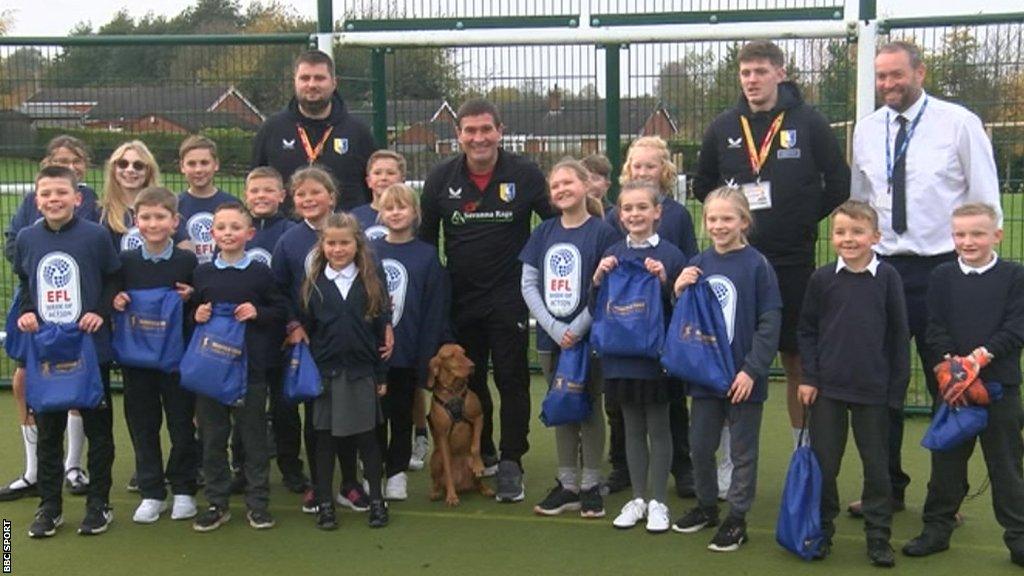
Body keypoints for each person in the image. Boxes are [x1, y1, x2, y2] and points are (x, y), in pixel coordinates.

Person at [849, 40, 1001, 516]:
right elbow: (861, 202)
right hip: (885, 269)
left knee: (949, 382)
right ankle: (886, 490)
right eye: (881, 77)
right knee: (883, 384)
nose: (888, 85)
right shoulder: (868, 131)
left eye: (896, 75)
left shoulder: (959, 124)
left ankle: (945, 498)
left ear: (921, 73)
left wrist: (974, 268)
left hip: (942, 270)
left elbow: (984, 199)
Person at [693, 40, 850, 450]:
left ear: (780, 73)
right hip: (736, 264)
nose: (752, 80)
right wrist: (731, 222)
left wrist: (798, 218)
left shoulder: (810, 122)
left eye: (760, 71)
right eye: (745, 73)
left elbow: (838, 183)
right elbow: (702, 185)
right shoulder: (724, 126)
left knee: (796, 357)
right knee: (732, 357)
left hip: (792, 260)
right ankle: (729, 460)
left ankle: (804, 453)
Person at [419, 98, 555, 502]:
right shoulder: (441, 179)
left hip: (509, 298)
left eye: (486, 129)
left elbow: (552, 226)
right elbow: (427, 243)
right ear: (458, 135)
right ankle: (487, 449)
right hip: (461, 299)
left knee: (512, 378)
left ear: (501, 131)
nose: (478, 138)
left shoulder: (526, 175)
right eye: (470, 131)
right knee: (472, 380)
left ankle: (512, 461)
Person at [902, 203, 1024, 567]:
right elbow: (934, 326)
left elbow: (1017, 328)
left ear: (996, 236)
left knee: (1006, 465)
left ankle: (1018, 537)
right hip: (955, 387)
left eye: (977, 234)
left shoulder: (1014, 276)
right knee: (946, 462)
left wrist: (980, 358)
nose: (968, 241)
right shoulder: (941, 276)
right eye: (960, 234)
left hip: (1000, 386)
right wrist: (953, 366)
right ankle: (936, 529)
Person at [797, 200, 910, 567]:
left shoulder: (888, 278)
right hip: (827, 390)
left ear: (875, 237)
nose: (849, 239)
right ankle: (822, 530)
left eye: (858, 232)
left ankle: (878, 537)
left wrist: (896, 390)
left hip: (874, 392)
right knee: (825, 465)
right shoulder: (822, 279)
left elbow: (898, 336)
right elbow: (807, 330)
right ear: (832, 237)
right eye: (841, 232)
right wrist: (810, 378)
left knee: (877, 466)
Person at [671, 187, 782, 553]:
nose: (719, 225)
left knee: (742, 452)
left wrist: (752, 371)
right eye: (713, 219)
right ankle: (706, 506)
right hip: (706, 376)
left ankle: (737, 519)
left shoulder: (757, 265)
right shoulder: (699, 262)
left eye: (727, 218)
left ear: (744, 222)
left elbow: (770, 321)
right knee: (700, 447)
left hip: (742, 379)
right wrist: (677, 289)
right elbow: (687, 318)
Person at [16, 165, 121, 537]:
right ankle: (50, 507)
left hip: (90, 349)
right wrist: (28, 312)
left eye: (61, 193)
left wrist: (99, 311)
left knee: (99, 429)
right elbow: (28, 285)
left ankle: (99, 505)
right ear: (36, 199)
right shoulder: (28, 238)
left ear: (77, 198)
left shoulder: (95, 236)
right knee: (48, 431)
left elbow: (113, 278)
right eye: (46, 194)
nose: (53, 200)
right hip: (47, 350)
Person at [0, 136, 99, 502]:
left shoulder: (94, 205)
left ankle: (73, 466)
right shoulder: (31, 203)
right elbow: (16, 243)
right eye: (60, 160)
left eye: (75, 160)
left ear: (84, 167)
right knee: (26, 374)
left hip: (76, 313)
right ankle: (34, 471)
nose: (69, 165)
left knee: (73, 372)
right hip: (34, 306)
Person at [521, 159, 617, 519]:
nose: (561, 190)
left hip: (589, 338)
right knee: (561, 407)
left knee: (589, 407)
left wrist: (577, 327)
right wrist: (552, 326)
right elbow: (528, 284)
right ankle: (567, 484)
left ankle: (591, 484)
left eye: (568, 183)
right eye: (555, 185)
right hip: (551, 339)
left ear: (585, 186)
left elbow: (606, 288)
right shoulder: (543, 232)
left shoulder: (603, 233)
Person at [272, 166, 371, 514]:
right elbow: (279, 290)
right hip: (312, 344)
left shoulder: (352, 233)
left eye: (315, 192)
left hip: (349, 343)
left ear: (332, 196)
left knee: (349, 417)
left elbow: (372, 285)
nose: (308, 199)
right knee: (318, 418)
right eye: (301, 194)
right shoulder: (289, 240)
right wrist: (293, 324)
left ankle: (350, 483)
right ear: (293, 201)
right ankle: (318, 485)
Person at [603, 136, 698, 498]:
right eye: (636, 165)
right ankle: (623, 467)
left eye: (650, 165)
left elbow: (689, 262)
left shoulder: (676, 214)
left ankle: (682, 467)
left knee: (670, 403)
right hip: (623, 327)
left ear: (665, 170)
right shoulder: (619, 212)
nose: (642, 171)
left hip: (663, 324)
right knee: (620, 404)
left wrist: (671, 285)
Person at [593, 180, 686, 533]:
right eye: (627, 209)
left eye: (642, 208)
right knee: (631, 428)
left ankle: (660, 501)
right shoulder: (612, 253)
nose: (634, 214)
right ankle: (638, 498)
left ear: (657, 212)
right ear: (618, 214)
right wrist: (598, 280)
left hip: (657, 360)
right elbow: (597, 308)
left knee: (659, 428)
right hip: (620, 359)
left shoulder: (671, 255)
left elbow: (682, 312)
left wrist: (665, 282)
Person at [190, 203, 287, 532]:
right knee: (213, 437)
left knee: (253, 438)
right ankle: (216, 503)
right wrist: (197, 315)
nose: (228, 233)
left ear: (249, 233)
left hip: (250, 371)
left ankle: (258, 503)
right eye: (222, 227)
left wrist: (257, 312)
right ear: (212, 233)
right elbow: (192, 314)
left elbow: (279, 310)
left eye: (235, 227)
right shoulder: (203, 273)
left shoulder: (260, 272)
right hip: (211, 372)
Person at [111, 187, 201, 524]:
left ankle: (183, 489)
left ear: (175, 221)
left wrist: (192, 296)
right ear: (136, 220)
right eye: (146, 217)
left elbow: (199, 303)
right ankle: (151, 491)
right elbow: (113, 295)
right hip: (138, 363)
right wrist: (116, 300)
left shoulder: (186, 261)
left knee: (181, 424)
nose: (153, 223)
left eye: (160, 217)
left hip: (176, 360)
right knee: (143, 425)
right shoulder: (126, 262)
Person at [300, 213, 391, 530]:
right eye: (331, 243)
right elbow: (307, 332)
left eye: (344, 243)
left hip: (362, 374)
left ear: (357, 245)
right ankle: (325, 504)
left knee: (368, 441)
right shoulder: (314, 286)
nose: (337, 249)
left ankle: (377, 501)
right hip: (326, 376)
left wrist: (381, 376)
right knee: (324, 442)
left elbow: (381, 335)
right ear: (322, 246)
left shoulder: (370, 284)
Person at [371, 183, 449, 501]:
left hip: (407, 353)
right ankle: (373, 472)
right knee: (374, 417)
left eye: (402, 207)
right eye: (389, 208)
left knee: (402, 415)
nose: (396, 213)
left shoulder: (428, 255)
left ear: (415, 213)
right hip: (375, 355)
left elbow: (433, 310)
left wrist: (425, 357)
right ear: (380, 213)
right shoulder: (370, 252)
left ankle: (397, 473)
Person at [239, 166, 307, 496]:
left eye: (269, 190)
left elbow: (293, 287)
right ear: (245, 196)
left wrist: (292, 322)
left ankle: (291, 466)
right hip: (241, 337)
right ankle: (241, 467)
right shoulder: (237, 230)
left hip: (280, 333)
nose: (262, 196)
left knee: (284, 406)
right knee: (244, 404)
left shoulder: (291, 232)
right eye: (255, 191)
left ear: (282, 196)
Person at [251, 49, 377, 215]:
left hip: (343, 235)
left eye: (319, 78)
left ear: (334, 83)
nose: (311, 85)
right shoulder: (272, 129)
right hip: (288, 233)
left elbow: (372, 190)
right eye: (305, 78)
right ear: (294, 82)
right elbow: (256, 180)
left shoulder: (358, 131)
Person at [174, 135, 236, 264]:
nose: (198, 169)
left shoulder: (232, 205)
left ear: (216, 164)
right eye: (191, 164)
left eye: (204, 163)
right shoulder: (174, 206)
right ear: (182, 167)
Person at [100, 141, 162, 252]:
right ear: (114, 169)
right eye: (123, 164)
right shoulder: (101, 213)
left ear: (148, 171)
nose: (130, 170)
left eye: (138, 166)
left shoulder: (164, 210)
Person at [353, 150, 406, 241]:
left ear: (402, 180)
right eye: (377, 173)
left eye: (390, 173)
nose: (383, 178)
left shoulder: (410, 216)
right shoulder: (354, 217)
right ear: (368, 181)